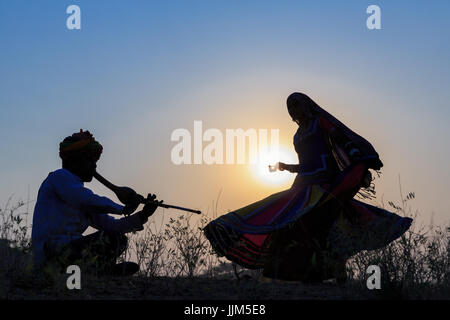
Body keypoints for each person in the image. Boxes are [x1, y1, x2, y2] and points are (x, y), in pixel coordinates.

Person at [204, 92, 413, 283]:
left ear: (306, 105)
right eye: (290, 107)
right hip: (302, 186)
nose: (293, 110)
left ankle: (337, 276)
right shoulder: (297, 135)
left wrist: (357, 155)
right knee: (290, 224)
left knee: (329, 226)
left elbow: (339, 137)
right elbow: (306, 164)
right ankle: (310, 273)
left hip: (325, 184)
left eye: (296, 105)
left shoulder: (319, 122)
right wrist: (285, 167)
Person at [31, 129, 161, 276]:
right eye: (90, 160)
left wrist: (143, 215)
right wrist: (123, 209)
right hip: (50, 254)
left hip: (68, 253)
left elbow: (113, 225)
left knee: (117, 238)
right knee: (112, 238)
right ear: (74, 161)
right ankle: (99, 272)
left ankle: (96, 272)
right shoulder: (59, 177)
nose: (94, 166)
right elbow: (85, 199)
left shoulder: (83, 198)